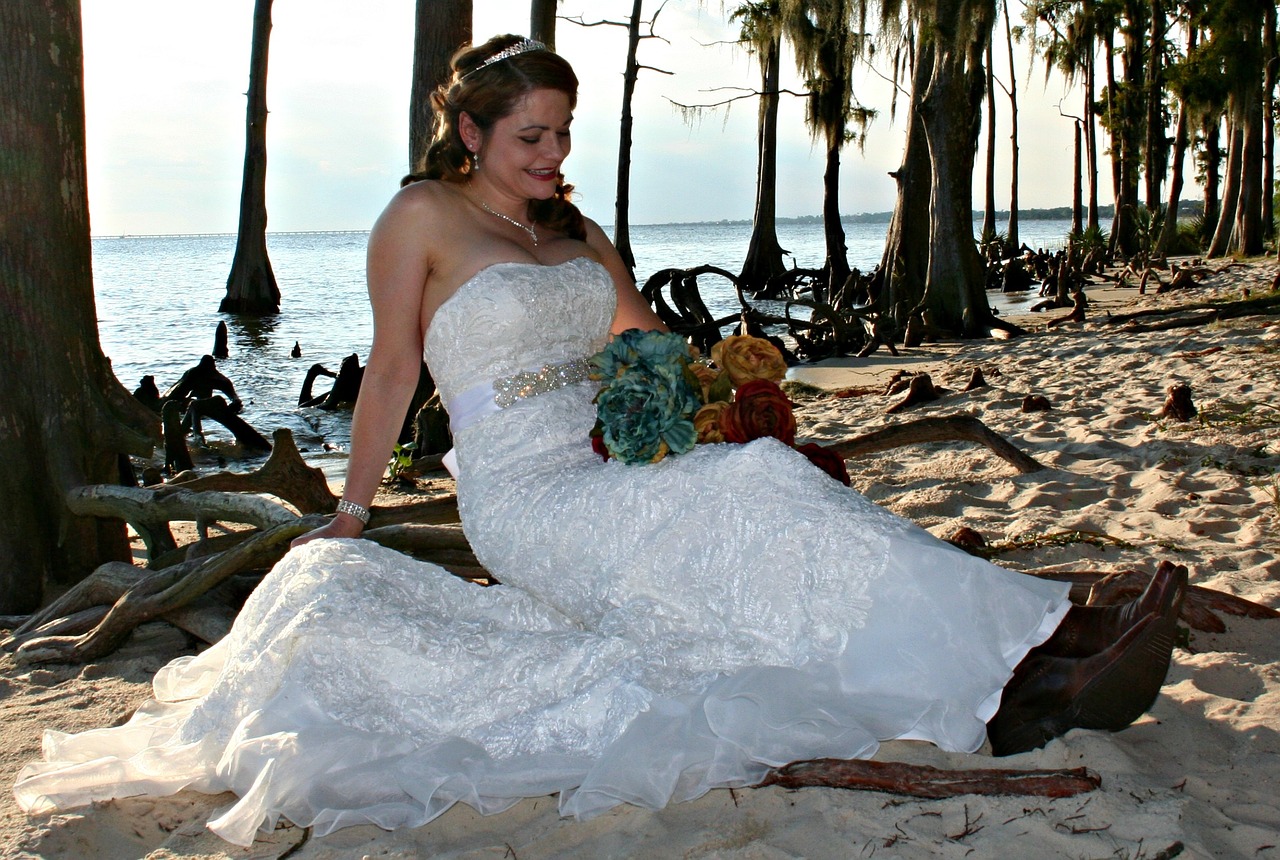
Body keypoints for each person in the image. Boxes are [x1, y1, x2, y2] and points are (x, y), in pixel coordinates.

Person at [14, 35, 1186, 847]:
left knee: (763, 481)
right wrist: (355, 505)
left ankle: (1038, 648)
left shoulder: (571, 230)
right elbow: (386, 371)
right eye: (529, 134)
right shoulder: (419, 220)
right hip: (523, 500)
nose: (550, 155)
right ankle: (1026, 673)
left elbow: (653, 342)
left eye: (562, 133)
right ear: (470, 131)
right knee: (752, 505)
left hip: (608, 469)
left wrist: (731, 394)